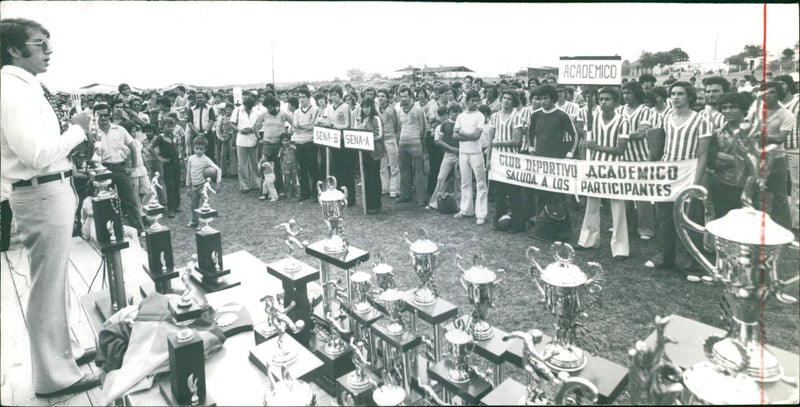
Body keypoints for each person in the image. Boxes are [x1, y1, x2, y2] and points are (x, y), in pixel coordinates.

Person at [1, 17, 100, 397]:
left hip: (47, 192)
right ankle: (53, 377)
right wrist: (76, 129)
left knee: (55, 282)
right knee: (47, 286)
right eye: (40, 43)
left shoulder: (23, 86)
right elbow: (38, 154)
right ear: (13, 49)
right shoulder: (13, 89)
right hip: (41, 191)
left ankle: (65, 356)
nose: (48, 50)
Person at [645, 81, 711, 271]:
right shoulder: (665, 118)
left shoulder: (701, 120)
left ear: (689, 96)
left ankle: (692, 263)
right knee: (665, 218)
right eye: (673, 94)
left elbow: (703, 154)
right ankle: (665, 258)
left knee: (690, 219)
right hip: (667, 173)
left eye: (680, 94)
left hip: (690, 173)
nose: (675, 97)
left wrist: (695, 183)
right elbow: (658, 147)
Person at [520, 85, 578, 242]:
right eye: (539, 98)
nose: (542, 101)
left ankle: (564, 230)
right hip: (540, 160)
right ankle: (542, 228)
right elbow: (530, 133)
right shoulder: (535, 115)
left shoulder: (562, 115)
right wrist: (531, 149)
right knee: (541, 195)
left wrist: (569, 155)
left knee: (558, 195)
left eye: (546, 98)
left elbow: (574, 135)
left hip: (556, 160)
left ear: (553, 98)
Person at [577, 87, 630, 259]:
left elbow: (620, 150)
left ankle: (620, 248)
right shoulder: (592, 118)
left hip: (614, 168)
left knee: (617, 206)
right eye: (601, 99)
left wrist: (596, 147)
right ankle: (588, 240)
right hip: (594, 166)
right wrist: (587, 162)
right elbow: (586, 143)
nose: (603, 102)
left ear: (616, 102)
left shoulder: (623, 121)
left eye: (607, 99)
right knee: (592, 203)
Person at [93, 102, 146, 233]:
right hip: (103, 170)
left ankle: (138, 229)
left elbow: (133, 146)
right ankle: (113, 231)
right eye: (100, 116)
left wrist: (133, 167)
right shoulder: (93, 133)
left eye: (106, 115)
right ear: (95, 117)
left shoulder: (120, 130)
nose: (103, 118)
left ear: (110, 114)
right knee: (107, 202)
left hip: (120, 168)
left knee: (130, 200)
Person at [620, 81, 655, 240]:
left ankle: (646, 229)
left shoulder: (645, 111)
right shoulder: (619, 110)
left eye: (629, 93)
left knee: (641, 195)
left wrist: (621, 135)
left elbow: (642, 132)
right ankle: (627, 226)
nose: (626, 96)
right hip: (622, 158)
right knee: (624, 195)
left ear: (636, 93)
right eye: (624, 92)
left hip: (641, 158)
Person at [487, 89, 524, 233]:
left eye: (509, 99)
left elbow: (517, 141)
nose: (506, 101)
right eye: (504, 98)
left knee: (514, 192)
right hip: (497, 158)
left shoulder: (517, 116)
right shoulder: (495, 116)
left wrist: (499, 143)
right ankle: (499, 220)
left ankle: (517, 224)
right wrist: (489, 158)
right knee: (499, 192)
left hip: (511, 159)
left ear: (513, 101)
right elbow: (490, 139)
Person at [453, 90, 488, 225]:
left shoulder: (480, 116)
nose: (475, 103)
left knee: (480, 183)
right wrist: (467, 136)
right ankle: (465, 210)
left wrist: (462, 134)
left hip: (476, 153)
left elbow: (476, 136)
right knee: (465, 182)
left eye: (477, 100)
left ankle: (481, 213)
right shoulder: (461, 116)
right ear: (466, 101)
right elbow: (454, 135)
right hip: (463, 153)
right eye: (472, 100)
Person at [254, 96, 293, 195]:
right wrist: (259, 139)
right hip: (267, 144)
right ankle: (264, 191)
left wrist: (288, 136)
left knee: (279, 167)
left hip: (279, 145)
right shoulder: (264, 115)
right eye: (267, 108)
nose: (269, 109)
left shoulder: (283, 114)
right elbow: (255, 127)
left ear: (276, 106)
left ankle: (279, 189)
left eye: (271, 107)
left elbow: (294, 123)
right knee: (266, 167)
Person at [396, 86, 428, 206]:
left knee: (419, 171)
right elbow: (399, 127)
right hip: (403, 144)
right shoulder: (399, 110)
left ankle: (421, 198)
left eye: (405, 96)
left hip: (416, 144)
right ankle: (405, 195)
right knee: (404, 170)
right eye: (401, 96)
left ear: (410, 97)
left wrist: (421, 142)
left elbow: (424, 127)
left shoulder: (418, 109)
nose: (403, 98)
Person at [427, 104, 462, 210]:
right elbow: (440, 141)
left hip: (460, 155)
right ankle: (434, 203)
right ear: (449, 113)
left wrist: (460, 150)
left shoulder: (462, 124)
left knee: (459, 180)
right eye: (452, 112)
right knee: (441, 177)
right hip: (448, 155)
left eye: (457, 112)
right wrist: (451, 149)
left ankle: (458, 205)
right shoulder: (445, 124)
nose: (454, 114)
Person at [328, 85, 358, 205]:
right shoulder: (330, 108)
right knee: (337, 169)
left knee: (347, 170)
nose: (333, 97)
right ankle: (339, 195)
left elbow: (347, 125)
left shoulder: (345, 107)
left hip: (344, 141)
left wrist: (334, 126)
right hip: (333, 141)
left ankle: (350, 198)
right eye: (331, 95)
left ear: (340, 95)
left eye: (335, 94)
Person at [357, 97, 386, 214]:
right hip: (365, 152)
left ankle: (376, 204)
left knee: (374, 177)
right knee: (366, 177)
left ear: (371, 107)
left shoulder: (376, 118)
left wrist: (367, 135)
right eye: (363, 107)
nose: (365, 109)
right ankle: (368, 203)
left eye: (367, 107)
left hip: (374, 152)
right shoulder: (363, 119)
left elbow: (379, 134)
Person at [148, 117, 182, 217]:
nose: (171, 128)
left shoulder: (175, 137)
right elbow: (150, 148)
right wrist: (160, 158)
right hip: (168, 165)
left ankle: (176, 205)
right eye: (168, 126)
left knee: (177, 185)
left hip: (176, 163)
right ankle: (170, 208)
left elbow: (179, 149)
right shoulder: (160, 137)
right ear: (163, 126)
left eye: (172, 126)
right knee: (170, 186)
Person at [185, 137, 221, 228]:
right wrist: (188, 185)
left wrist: (218, 182)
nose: (198, 151)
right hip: (194, 185)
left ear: (205, 149)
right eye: (196, 148)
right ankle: (194, 220)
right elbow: (188, 172)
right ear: (193, 148)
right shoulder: (191, 159)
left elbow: (218, 169)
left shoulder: (206, 159)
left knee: (203, 204)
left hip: (203, 185)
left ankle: (202, 223)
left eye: (201, 149)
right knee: (193, 205)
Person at [292, 88, 320, 201]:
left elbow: (314, 126)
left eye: (304, 97)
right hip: (299, 142)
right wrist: (305, 127)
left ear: (309, 98)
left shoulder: (315, 110)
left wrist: (304, 127)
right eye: (300, 97)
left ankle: (316, 193)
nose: (301, 99)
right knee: (302, 168)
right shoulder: (296, 112)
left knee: (313, 168)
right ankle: (305, 193)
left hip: (310, 141)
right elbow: (295, 127)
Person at [232, 96, 261, 193]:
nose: (249, 109)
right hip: (241, 140)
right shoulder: (237, 110)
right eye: (247, 107)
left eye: (250, 107)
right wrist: (240, 130)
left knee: (255, 163)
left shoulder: (256, 111)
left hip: (253, 139)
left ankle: (256, 183)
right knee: (242, 164)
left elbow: (260, 124)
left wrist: (252, 129)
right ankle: (244, 185)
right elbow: (232, 124)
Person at [377, 88, 401, 198]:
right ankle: (384, 187)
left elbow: (397, 125)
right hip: (381, 141)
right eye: (379, 96)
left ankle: (394, 189)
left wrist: (394, 138)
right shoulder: (376, 109)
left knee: (394, 165)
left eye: (383, 96)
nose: (381, 98)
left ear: (387, 98)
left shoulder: (391, 110)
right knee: (382, 166)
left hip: (390, 139)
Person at [187, 91, 217, 163]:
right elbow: (189, 122)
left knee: (209, 153)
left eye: (201, 97)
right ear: (195, 99)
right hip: (195, 134)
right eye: (198, 98)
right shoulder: (192, 109)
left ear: (204, 98)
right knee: (197, 153)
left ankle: (210, 172)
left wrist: (205, 132)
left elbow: (212, 120)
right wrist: (197, 132)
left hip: (208, 134)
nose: (199, 99)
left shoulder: (209, 108)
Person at [278, 133, 298, 198]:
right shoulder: (281, 150)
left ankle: (295, 193)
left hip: (293, 166)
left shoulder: (293, 148)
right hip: (285, 166)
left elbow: (296, 157)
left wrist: (297, 166)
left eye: (287, 140)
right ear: (281, 142)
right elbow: (280, 159)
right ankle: (287, 193)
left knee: (294, 180)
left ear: (290, 140)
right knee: (287, 180)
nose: (285, 142)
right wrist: (281, 168)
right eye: (284, 141)